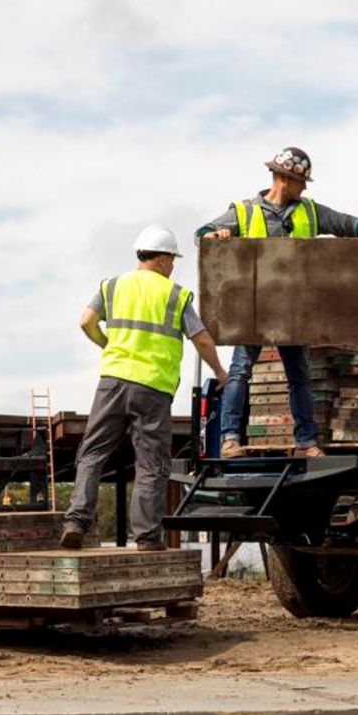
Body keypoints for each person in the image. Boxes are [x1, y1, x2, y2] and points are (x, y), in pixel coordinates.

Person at [197, 146, 358, 458]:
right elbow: (202, 233)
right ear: (285, 178)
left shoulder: (310, 211)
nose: (304, 187)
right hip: (255, 307)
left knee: (299, 376)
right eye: (302, 181)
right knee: (240, 371)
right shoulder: (245, 211)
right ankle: (230, 438)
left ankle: (306, 443)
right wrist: (213, 236)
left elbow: (343, 222)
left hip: (293, 309)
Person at [62, 226, 226, 550]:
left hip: (113, 380)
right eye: (173, 259)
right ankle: (148, 537)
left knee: (93, 453)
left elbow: (85, 321)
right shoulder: (174, 295)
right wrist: (220, 373)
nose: (173, 266)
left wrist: (108, 345)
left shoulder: (112, 286)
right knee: (151, 463)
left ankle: (76, 522)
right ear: (164, 259)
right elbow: (202, 338)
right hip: (152, 387)